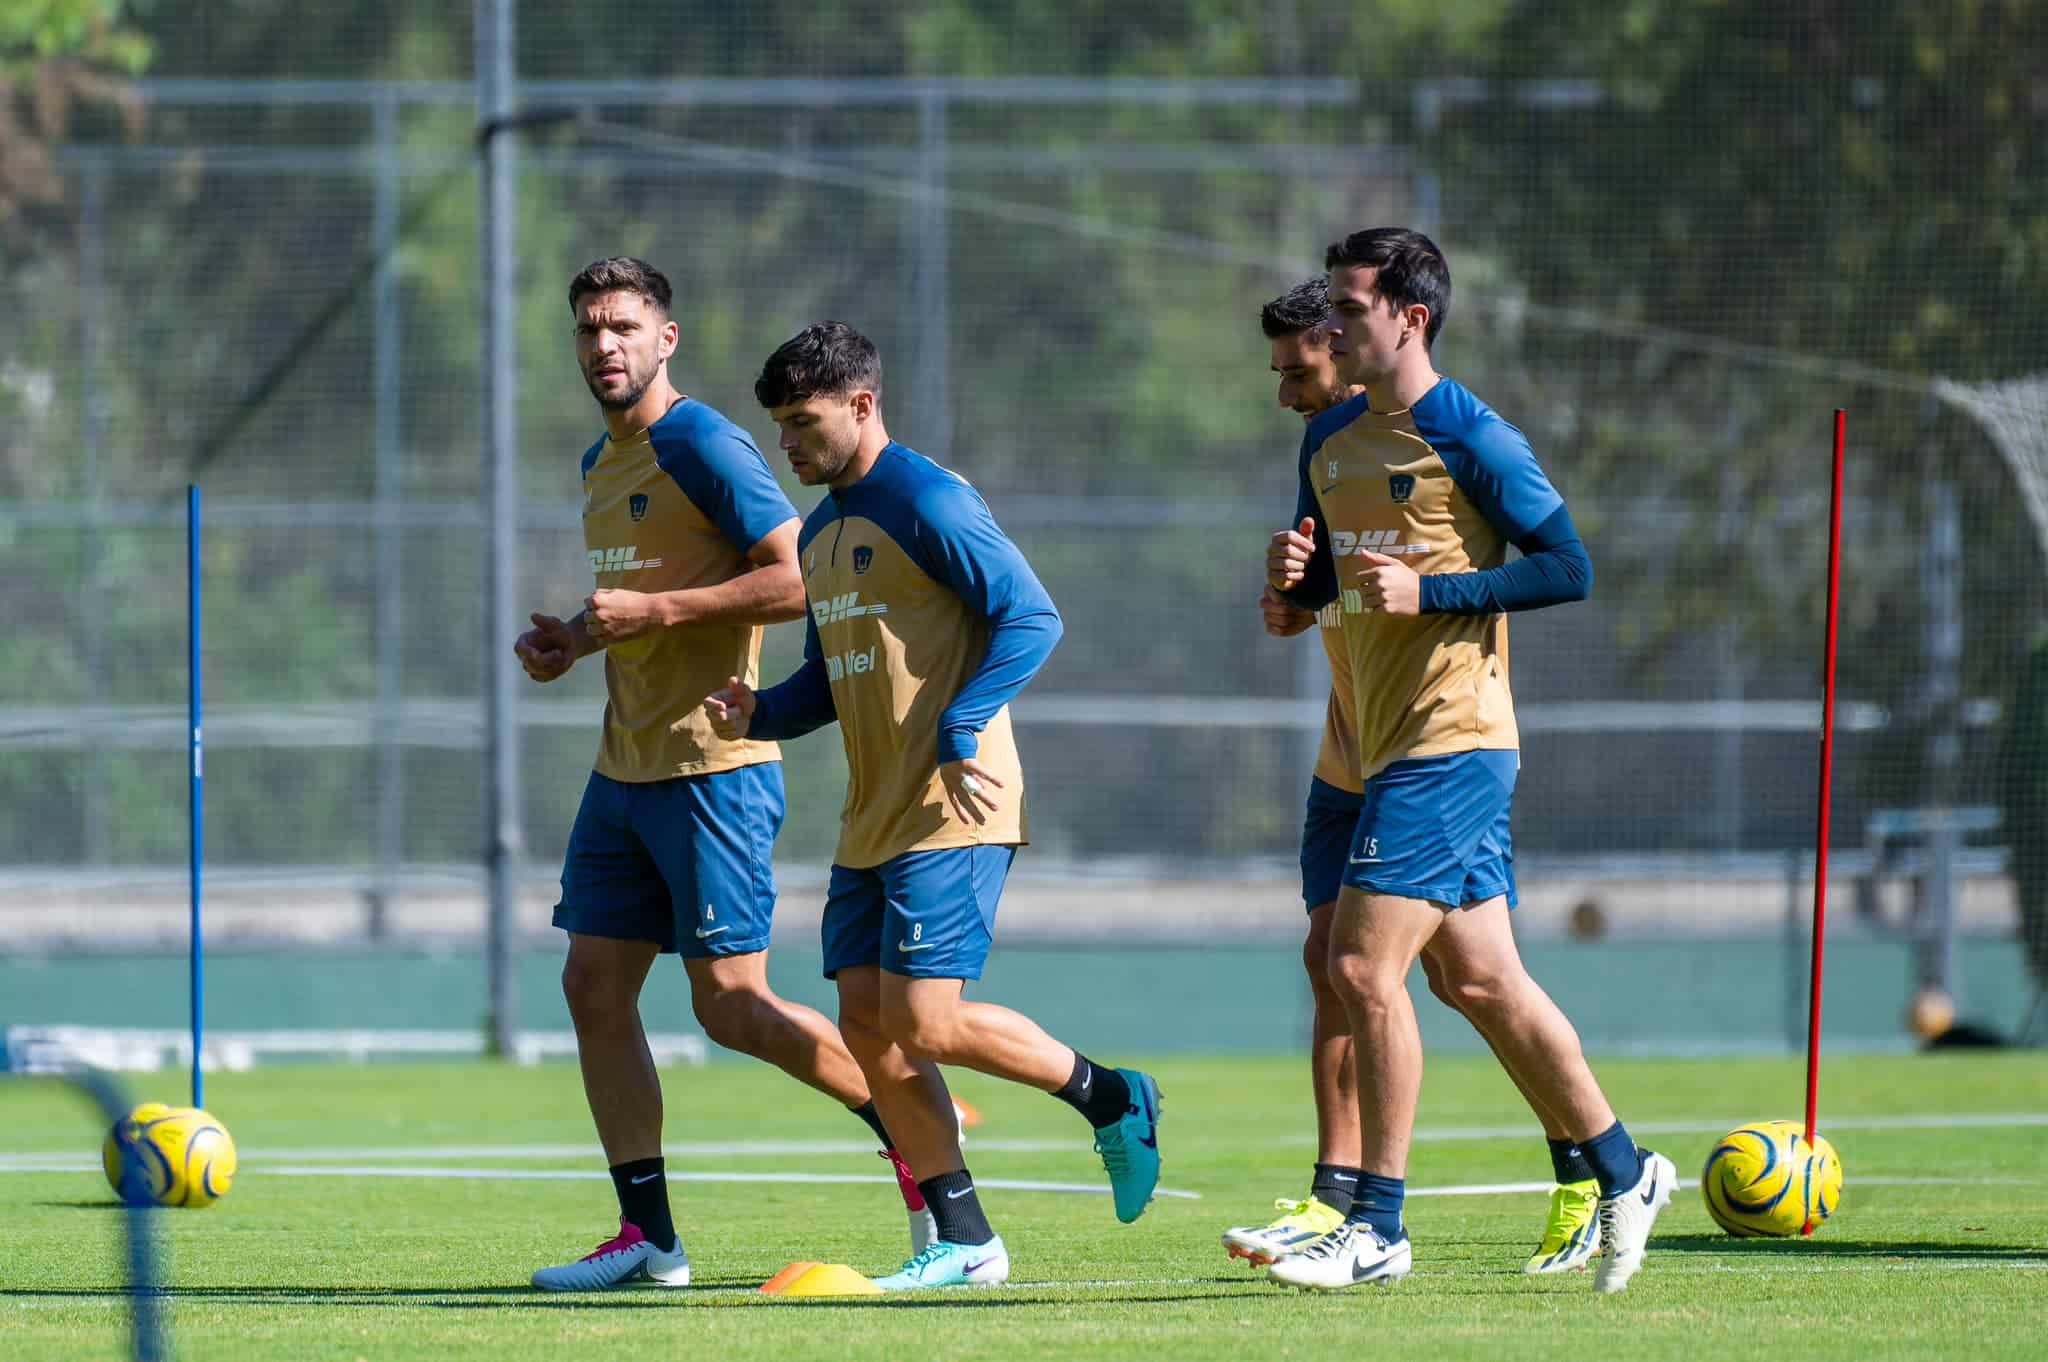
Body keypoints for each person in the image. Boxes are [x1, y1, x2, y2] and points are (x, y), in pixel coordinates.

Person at [704, 321, 1163, 1291]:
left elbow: (1032, 616)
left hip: (957, 801)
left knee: (926, 1018)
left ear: (861, 404)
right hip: (872, 818)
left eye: (802, 422)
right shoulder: (824, 536)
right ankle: (964, 1240)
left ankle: (1114, 1097)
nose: (788, 445)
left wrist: (961, 725)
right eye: (780, 427)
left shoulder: (928, 498)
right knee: (867, 1028)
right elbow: (829, 684)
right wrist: (757, 712)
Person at [1262, 230, 1674, 1294]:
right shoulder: (1331, 441)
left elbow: (1566, 568)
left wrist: (1437, 594)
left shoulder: (1473, 435)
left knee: (1360, 968)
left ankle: (1376, 1226)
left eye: (1352, 308)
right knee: (1479, 981)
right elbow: (1328, 590)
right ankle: (1623, 1171)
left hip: (1452, 741)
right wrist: (1292, 587)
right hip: (1377, 746)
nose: (1336, 324)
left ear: (1410, 317)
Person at [515, 259, 930, 1292]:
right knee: (591, 986)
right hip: (624, 767)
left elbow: (796, 574)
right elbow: (646, 592)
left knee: (732, 1005)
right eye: (586, 329)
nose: (602, 345)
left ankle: (919, 1144)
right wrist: (575, 637)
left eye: (621, 326)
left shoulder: (701, 441)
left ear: (666, 338)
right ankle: (648, 1240)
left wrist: (651, 616)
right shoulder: (597, 463)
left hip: (713, 768)